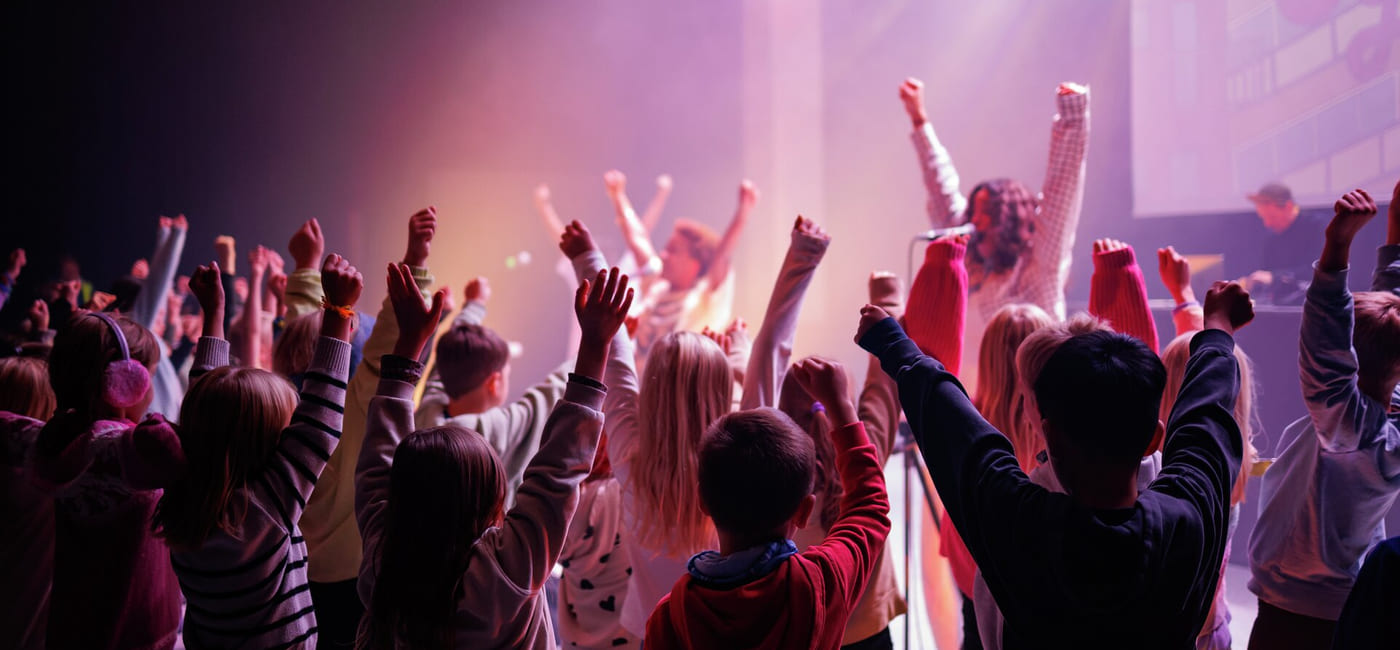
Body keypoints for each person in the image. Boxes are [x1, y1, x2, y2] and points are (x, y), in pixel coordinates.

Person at [857, 274, 1254, 647]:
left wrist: (895, 346)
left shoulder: (1024, 528)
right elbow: (1205, 422)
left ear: (1047, 433)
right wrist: (1217, 329)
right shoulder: (1187, 518)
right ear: (1155, 438)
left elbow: (959, 431)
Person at [355, 263, 632, 648]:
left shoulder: (383, 561)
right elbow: (556, 472)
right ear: (490, 495)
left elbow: (376, 462)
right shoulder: (506, 568)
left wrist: (411, 343)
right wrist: (597, 344)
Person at [154, 253, 361, 648]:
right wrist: (337, 313)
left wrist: (215, 313)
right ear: (267, 443)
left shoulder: (185, 498)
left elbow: (206, 404)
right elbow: (320, 424)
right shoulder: (264, 512)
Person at [644, 357, 892, 649]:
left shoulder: (672, 615)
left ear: (702, 500)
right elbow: (870, 508)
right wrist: (841, 406)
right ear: (803, 511)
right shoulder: (818, 584)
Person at [1246, 187, 1400, 650]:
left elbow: (1325, 351)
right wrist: (1394, 241)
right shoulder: (1387, 420)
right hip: (1339, 600)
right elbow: (1390, 318)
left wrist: (1335, 250)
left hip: (1297, 614)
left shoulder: (1348, 428)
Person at [900, 77, 1090, 393]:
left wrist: (1072, 115)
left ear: (1009, 222)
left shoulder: (1037, 264)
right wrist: (919, 119)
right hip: (975, 401)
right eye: (974, 210)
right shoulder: (972, 261)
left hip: (1034, 395)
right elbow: (940, 186)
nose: (975, 220)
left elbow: (1062, 192)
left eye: (985, 212)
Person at [605, 170, 753, 364]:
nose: (663, 255)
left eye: (672, 250)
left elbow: (722, 256)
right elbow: (637, 239)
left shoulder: (704, 299)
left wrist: (742, 213)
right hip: (639, 391)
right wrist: (618, 196)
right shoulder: (657, 286)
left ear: (694, 263)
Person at [1242, 182, 1329, 303]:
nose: (1267, 223)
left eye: (1272, 217)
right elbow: (1267, 274)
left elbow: (1320, 270)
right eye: (1263, 218)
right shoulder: (1272, 240)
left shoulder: (1318, 227)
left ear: (1288, 206)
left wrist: (1275, 277)